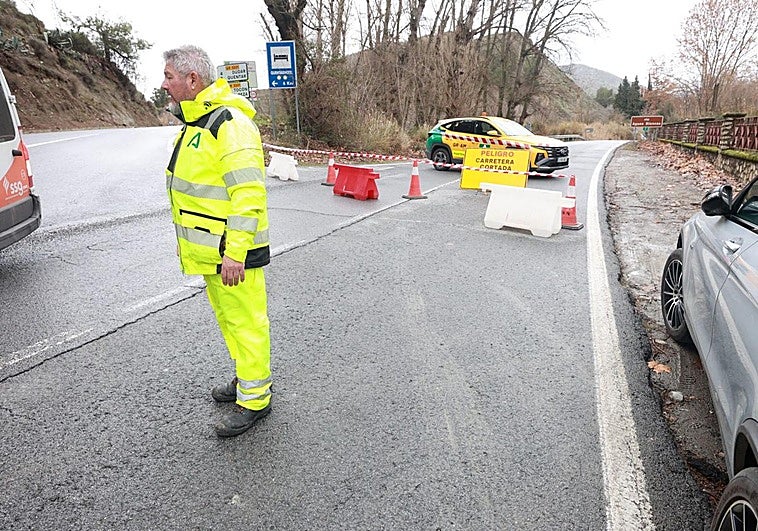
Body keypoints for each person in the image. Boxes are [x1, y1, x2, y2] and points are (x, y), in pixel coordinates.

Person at [161, 45, 272, 437]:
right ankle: (246, 379)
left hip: (233, 252)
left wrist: (235, 252)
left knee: (246, 323)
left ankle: (256, 400)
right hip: (214, 252)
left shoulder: (229, 124)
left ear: (193, 79)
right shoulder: (198, 121)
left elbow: (248, 195)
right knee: (230, 321)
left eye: (169, 76)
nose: (164, 84)